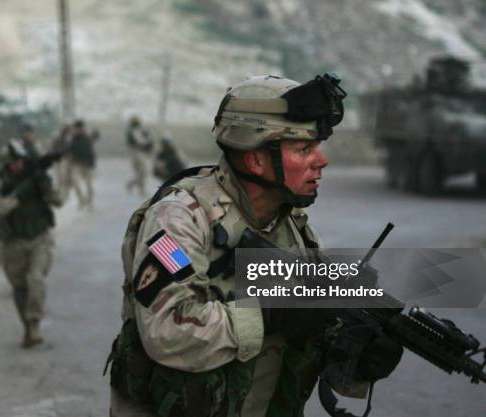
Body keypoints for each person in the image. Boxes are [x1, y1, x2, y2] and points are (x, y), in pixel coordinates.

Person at [107, 75, 403, 416]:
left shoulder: (294, 232)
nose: (321, 161)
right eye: (304, 148)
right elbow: (167, 330)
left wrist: (359, 362)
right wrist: (270, 315)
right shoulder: (180, 219)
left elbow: (317, 340)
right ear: (256, 159)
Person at [0, 139, 62, 348]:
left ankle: (34, 323)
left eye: (20, 161)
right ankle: (28, 329)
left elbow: (59, 201)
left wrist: (45, 187)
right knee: (20, 288)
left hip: (40, 238)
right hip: (13, 242)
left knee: (36, 280)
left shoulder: (36, 177)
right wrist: (20, 195)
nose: (18, 165)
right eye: (13, 162)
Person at [66, 119, 98, 209]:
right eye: (78, 128)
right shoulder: (72, 139)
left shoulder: (87, 138)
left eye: (81, 128)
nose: (79, 130)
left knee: (90, 185)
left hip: (87, 164)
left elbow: (91, 152)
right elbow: (68, 150)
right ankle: (81, 200)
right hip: (76, 164)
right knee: (76, 182)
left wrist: (92, 164)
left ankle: (90, 203)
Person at [125, 116, 153, 197]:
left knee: (140, 172)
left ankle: (138, 188)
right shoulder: (134, 131)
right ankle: (135, 186)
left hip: (135, 153)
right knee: (144, 171)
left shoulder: (132, 131)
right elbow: (140, 142)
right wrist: (148, 138)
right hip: (137, 153)